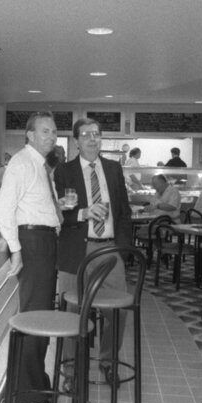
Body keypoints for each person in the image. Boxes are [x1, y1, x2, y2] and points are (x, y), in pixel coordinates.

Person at [0, 112, 65, 403]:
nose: (52, 136)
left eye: (54, 132)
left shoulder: (39, 164)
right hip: (34, 244)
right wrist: (17, 250)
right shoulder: (22, 163)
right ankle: (30, 393)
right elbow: (0, 210)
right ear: (30, 135)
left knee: (40, 317)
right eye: (45, 131)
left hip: (44, 243)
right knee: (36, 321)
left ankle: (34, 387)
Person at [53, 118, 133, 385]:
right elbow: (56, 214)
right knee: (71, 312)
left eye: (96, 134)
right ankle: (71, 371)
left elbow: (123, 212)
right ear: (76, 140)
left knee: (118, 311)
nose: (92, 139)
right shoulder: (63, 171)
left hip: (110, 250)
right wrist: (83, 213)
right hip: (76, 249)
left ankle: (108, 363)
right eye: (86, 135)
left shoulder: (113, 168)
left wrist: (122, 248)